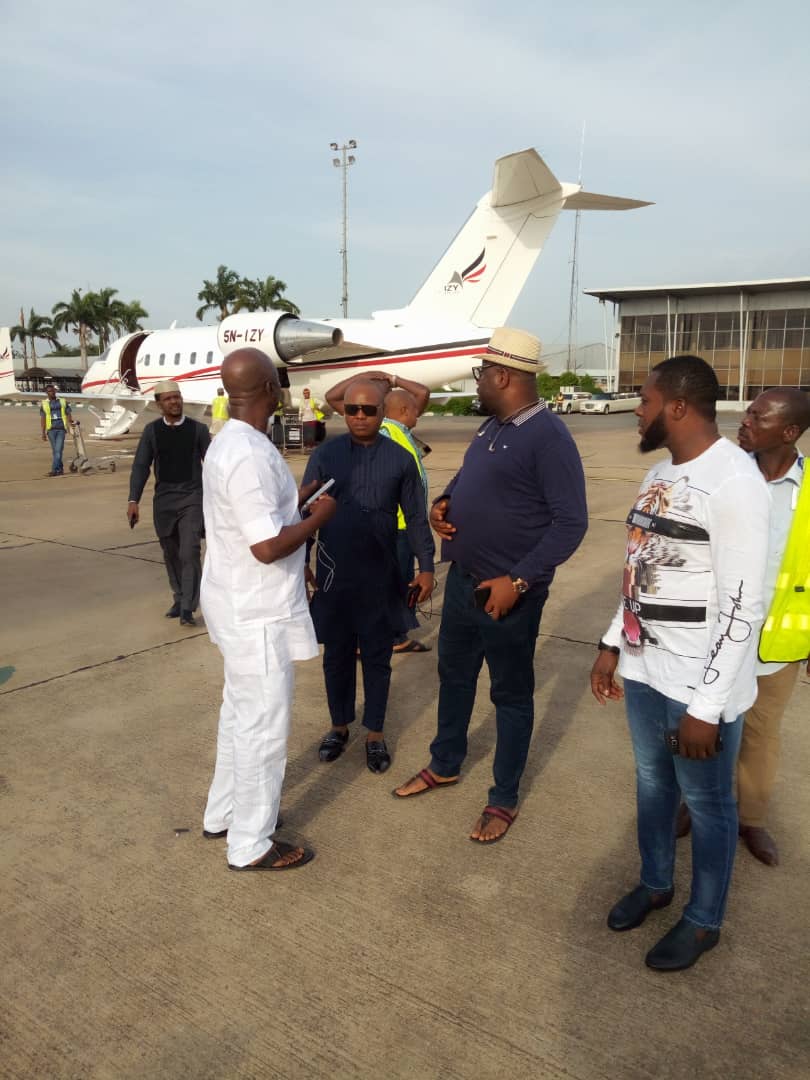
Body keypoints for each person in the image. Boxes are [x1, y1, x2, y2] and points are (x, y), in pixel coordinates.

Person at [590, 355, 769, 973]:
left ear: (678, 406)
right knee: (652, 783)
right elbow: (638, 568)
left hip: (697, 685)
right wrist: (612, 644)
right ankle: (656, 882)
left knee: (708, 802)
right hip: (645, 670)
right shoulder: (659, 473)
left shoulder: (734, 481)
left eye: (644, 401)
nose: (637, 412)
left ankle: (703, 920)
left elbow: (744, 605)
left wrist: (707, 708)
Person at [393, 327, 588, 845]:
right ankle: (445, 763)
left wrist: (519, 580)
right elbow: (466, 481)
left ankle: (503, 796)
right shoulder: (490, 428)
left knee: (510, 694)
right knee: (454, 677)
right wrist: (443, 505)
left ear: (502, 376)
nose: (476, 382)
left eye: (482, 373)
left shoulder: (548, 438)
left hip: (508, 595)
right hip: (464, 582)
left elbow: (571, 523)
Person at [201, 348, 336, 871]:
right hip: (255, 610)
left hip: (236, 603)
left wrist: (295, 503)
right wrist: (318, 518)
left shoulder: (230, 441)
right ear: (266, 389)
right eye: (277, 379)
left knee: (239, 715)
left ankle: (225, 813)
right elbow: (266, 547)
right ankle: (250, 842)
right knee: (262, 726)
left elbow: (254, 518)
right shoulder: (249, 455)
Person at [676, 388, 810, 866]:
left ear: (789, 432)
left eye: (758, 416)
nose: (745, 420)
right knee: (701, 722)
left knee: (761, 731)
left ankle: (751, 819)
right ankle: (692, 802)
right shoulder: (725, 474)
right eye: (747, 411)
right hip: (713, 634)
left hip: (777, 640)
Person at [302, 379, 435, 774]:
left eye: (369, 410)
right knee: (337, 656)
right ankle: (338, 726)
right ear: (344, 412)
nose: (360, 416)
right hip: (334, 573)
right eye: (352, 409)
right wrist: (301, 561)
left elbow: (416, 518)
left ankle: (375, 733)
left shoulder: (400, 459)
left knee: (377, 657)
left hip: (381, 572)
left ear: (382, 413)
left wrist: (427, 567)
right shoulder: (325, 455)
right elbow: (304, 510)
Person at [127, 380, 210, 626]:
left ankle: (187, 607)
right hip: (163, 500)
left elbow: (213, 466)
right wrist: (133, 500)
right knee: (171, 552)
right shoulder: (151, 431)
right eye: (168, 399)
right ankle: (179, 596)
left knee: (189, 551)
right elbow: (141, 466)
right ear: (158, 404)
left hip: (192, 497)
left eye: (177, 397)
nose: (175, 402)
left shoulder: (198, 430)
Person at [40, 384, 73, 476]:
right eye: (49, 391)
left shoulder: (62, 401)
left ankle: (54, 470)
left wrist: (70, 423)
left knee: (58, 450)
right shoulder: (44, 404)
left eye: (53, 390)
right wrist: (43, 433)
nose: (52, 392)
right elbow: (43, 419)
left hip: (61, 429)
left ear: (55, 391)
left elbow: (68, 412)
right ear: (46, 393)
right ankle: (60, 469)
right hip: (51, 430)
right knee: (56, 451)